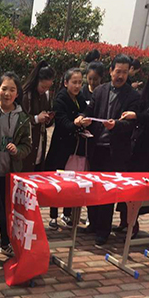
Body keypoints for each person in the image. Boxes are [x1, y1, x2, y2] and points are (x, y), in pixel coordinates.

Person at [81, 54, 140, 246]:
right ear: (111, 71)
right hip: (96, 147)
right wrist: (82, 118)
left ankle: (103, 230)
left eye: (125, 72)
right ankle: (93, 222)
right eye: (118, 71)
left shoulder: (133, 96)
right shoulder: (100, 90)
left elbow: (131, 125)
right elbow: (89, 111)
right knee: (92, 187)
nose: (121, 76)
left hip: (115, 151)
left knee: (107, 191)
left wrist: (116, 126)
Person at [116, 64, 149, 235]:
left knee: (140, 189)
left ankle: (133, 224)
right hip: (134, 146)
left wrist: (137, 116)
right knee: (127, 185)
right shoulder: (145, 95)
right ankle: (124, 221)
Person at [45, 68, 92, 229]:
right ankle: (53, 216)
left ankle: (67, 213)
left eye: (80, 82)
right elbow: (63, 123)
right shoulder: (60, 99)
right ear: (66, 83)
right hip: (60, 147)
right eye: (74, 82)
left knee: (71, 180)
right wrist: (76, 123)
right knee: (56, 181)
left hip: (75, 148)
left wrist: (83, 118)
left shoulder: (80, 97)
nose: (77, 86)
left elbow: (86, 110)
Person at [0, 71, 32, 254]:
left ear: (17, 93)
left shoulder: (23, 118)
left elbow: (27, 145)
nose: (7, 94)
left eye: (12, 90)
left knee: (5, 210)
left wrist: (17, 151)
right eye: (4, 89)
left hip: (9, 172)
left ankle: (5, 243)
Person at [22, 61, 55, 171]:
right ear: (36, 81)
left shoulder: (46, 95)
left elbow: (47, 122)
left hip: (40, 140)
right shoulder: (26, 95)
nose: (45, 90)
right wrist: (36, 118)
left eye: (48, 87)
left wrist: (48, 119)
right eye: (43, 87)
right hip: (28, 142)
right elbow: (21, 120)